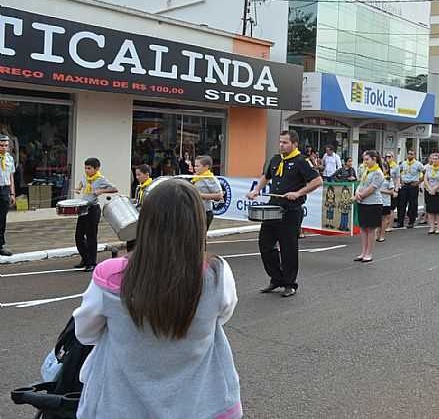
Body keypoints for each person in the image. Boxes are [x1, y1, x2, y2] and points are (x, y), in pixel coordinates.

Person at [72, 178, 242, 419]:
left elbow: (85, 333)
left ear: (146, 220)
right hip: (201, 405)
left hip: (119, 405)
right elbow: (222, 315)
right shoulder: (217, 273)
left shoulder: (110, 274)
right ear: (197, 223)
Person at [247, 130, 322, 298]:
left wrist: (299, 193)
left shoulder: (301, 162)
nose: (281, 145)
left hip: (291, 211)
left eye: (285, 142)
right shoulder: (275, 159)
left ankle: (290, 283)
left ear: (295, 144)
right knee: (265, 244)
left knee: (288, 248)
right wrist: (257, 190)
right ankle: (277, 278)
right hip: (273, 208)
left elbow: (317, 181)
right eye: (280, 142)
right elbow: (266, 177)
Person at [74, 158, 117, 272]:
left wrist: (101, 191)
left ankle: (92, 263)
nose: (86, 170)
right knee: (78, 236)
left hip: (93, 210)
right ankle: (85, 258)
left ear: (96, 168)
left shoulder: (100, 179)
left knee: (91, 236)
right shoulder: (85, 177)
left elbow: (114, 188)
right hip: (83, 209)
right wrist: (78, 188)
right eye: (85, 168)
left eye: (89, 168)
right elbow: (81, 183)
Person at [354, 150, 384, 262]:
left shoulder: (378, 173)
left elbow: (372, 189)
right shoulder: (366, 170)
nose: (365, 162)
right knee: (362, 228)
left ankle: (369, 253)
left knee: (371, 229)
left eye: (367, 159)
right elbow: (361, 184)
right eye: (364, 159)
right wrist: (357, 192)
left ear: (374, 159)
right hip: (362, 202)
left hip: (373, 204)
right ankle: (363, 252)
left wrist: (359, 196)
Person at [192, 155, 223, 231]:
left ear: (206, 167)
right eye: (194, 166)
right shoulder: (197, 177)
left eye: (197, 166)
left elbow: (219, 195)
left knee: (200, 237)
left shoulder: (209, 178)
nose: (195, 168)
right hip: (195, 211)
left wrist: (200, 195)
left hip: (204, 212)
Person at [396, 150, 424, 229]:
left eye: (411, 154)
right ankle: (400, 222)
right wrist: (401, 181)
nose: (409, 155)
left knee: (413, 204)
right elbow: (398, 172)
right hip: (404, 185)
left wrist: (418, 182)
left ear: (414, 155)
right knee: (401, 204)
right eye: (408, 154)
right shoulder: (404, 163)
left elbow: (425, 173)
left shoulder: (418, 164)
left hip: (413, 185)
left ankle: (411, 221)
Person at [128, 164, 153, 253]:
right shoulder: (139, 187)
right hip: (138, 216)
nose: (137, 177)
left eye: (139, 175)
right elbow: (138, 201)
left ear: (147, 174)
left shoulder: (152, 187)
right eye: (136, 175)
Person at [423, 153, 439, 235]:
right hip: (429, 191)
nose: (434, 160)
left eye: (436, 159)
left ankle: (438, 228)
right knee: (430, 210)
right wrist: (430, 188)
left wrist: (435, 188)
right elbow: (426, 179)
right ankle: (432, 227)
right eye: (433, 159)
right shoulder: (428, 168)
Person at [0, 134, 16, 256]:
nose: (4, 148)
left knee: (2, 219)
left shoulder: (9, 158)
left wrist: (12, 193)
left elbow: (11, 177)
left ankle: (0, 246)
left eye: (6, 145)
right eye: (1, 145)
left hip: (5, 189)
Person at [378, 160, 396, 243]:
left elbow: (391, 191)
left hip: (385, 201)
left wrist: (381, 191)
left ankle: (382, 235)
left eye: (384, 168)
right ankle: (376, 235)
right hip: (377, 201)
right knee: (376, 219)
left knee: (384, 219)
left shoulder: (389, 179)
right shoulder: (377, 177)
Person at [385, 152, 401, 229]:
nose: (388, 158)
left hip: (393, 188)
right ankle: (386, 223)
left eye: (389, 157)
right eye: (387, 157)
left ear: (393, 157)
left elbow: (398, 178)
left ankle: (390, 226)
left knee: (391, 208)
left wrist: (396, 190)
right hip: (385, 189)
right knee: (386, 208)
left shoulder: (396, 166)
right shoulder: (384, 166)